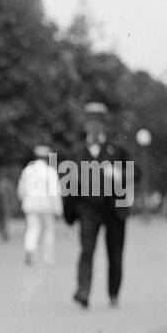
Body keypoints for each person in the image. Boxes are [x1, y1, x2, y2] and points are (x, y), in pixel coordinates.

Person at [63, 101, 134, 309]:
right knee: (87, 250)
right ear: (85, 125)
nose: (94, 127)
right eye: (90, 122)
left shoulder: (118, 149)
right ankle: (83, 291)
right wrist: (70, 212)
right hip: (88, 208)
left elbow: (135, 173)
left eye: (98, 123)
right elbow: (67, 185)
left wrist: (119, 173)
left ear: (104, 125)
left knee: (115, 253)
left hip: (114, 210)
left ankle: (113, 293)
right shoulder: (76, 151)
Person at [16, 145, 63, 266]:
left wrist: (24, 201)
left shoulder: (27, 170)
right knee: (49, 230)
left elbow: (21, 189)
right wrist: (58, 208)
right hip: (47, 205)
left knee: (32, 228)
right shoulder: (50, 171)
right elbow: (54, 191)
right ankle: (48, 257)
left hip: (30, 204)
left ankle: (30, 248)